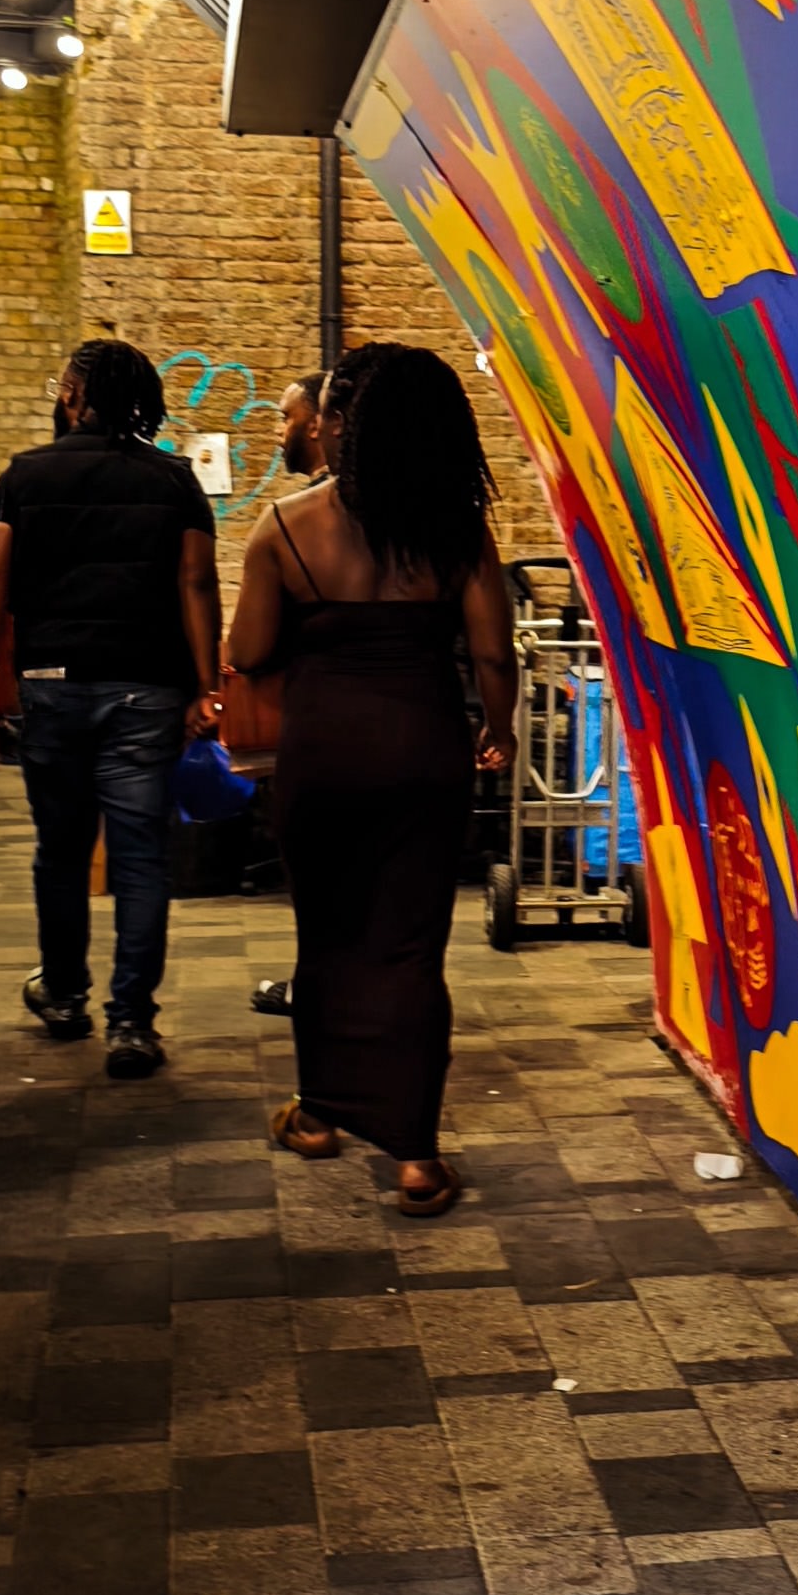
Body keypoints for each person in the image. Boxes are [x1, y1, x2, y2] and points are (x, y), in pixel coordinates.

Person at [219, 343, 514, 1210]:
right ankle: (415, 1158)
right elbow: (493, 653)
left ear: (340, 426)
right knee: (411, 948)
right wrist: (496, 729)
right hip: (423, 751)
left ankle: (318, 1115)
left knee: (329, 936)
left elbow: (247, 651)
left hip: (325, 752)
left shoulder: (285, 526)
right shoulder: (457, 530)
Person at [0, 337, 220, 1080]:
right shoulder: (174, 480)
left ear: (76, 396)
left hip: (52, 684)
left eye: (62, 386)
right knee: (140, 858)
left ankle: (65, 996)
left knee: (61, 849)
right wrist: (208, 685)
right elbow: (196, 584)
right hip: (147, 690)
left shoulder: (24, 476)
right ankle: (132, 1023)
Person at [250, 368, 331, 1020]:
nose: (280, 431)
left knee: (322, 869)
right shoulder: (424, 516)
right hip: (413, 727)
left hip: (322, 723)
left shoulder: (295, 520)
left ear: (319, 422)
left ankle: (321, 985)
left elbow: (250, 648)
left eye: (285, 417)